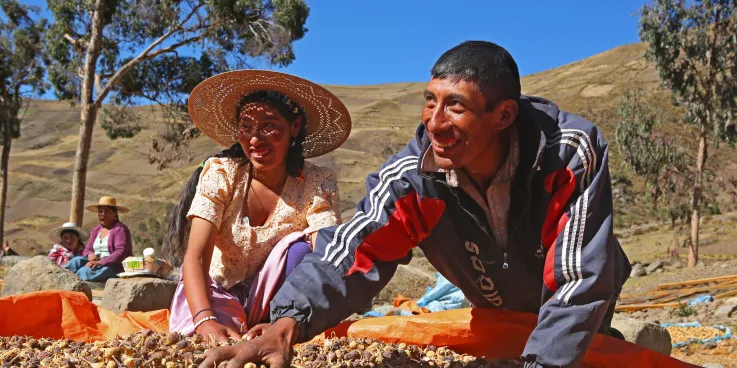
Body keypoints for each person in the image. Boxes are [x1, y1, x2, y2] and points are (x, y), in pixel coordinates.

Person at [200, 41, 632, 368]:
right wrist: (287, 322)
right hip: (496, 305)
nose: (435, 122)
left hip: (573, 296)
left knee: (593, 353)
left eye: (455, 106)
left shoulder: (566, 153)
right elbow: (355, 249)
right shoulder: (414, 175)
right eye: (430, 101)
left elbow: (578, 278)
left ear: (502, 116)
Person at [163, 70, 350, 343]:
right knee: (216, 345)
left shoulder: (317, 182)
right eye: (246, 126)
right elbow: (197, 256)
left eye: (268, 126)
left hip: (278, 299)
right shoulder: (223, 174)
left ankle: (281, 325)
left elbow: (327, 255)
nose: (254, 139)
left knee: (299, 249)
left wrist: (291, 320)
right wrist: (205, 320)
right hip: (216, 293)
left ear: (294, 127)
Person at [65, 196, 133, 281]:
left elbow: (120, 252)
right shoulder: (96, 230)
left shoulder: (120, 230)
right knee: (75, 261)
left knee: (85, 272)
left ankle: (76, 282)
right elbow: (87, 249)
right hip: (96, 262)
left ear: (115, 214)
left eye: (108, 212)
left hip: (112, 266)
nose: (103, 214)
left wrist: (101, 262)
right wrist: (90, 255)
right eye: (100, 212)